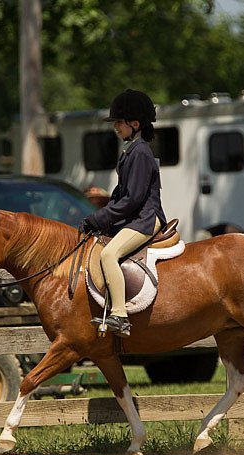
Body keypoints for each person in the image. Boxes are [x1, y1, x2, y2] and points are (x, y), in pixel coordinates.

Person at [79, 89, 167, 337]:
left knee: (108, 255)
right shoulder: (130, 151)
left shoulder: (140, 153)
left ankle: (120, 315)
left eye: (119, 122)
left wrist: (98, 218)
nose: (115, 127)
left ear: (134, 124)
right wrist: (102, 219)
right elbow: (120, 195)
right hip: (136, 217)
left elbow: (132, 200)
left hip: (146, 219)